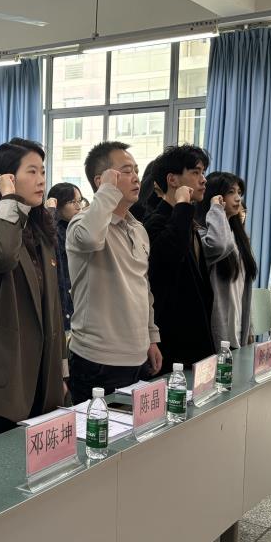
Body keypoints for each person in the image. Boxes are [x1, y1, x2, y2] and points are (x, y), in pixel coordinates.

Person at [0, 139, 68, 437]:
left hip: (45, 373)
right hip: (8, 374)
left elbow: (55, 305)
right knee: (3, 458)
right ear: (7, 178)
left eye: (43, 171)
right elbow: (1, 256)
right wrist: (9, 200)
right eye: (32, 172)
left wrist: (62, 372)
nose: (41, 180)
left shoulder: (43, 232)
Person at [65, 141, 161, 405]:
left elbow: (143, 287)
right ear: (102, 180)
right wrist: (106, 191)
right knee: (96, 430)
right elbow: (90, 238)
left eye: (136, 170)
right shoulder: (82, 223)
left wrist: (151, 337)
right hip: (98, 360)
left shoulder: (138, 229)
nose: (136, 177)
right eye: (126, 171)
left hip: (137, 356)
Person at [143, 145, 216, 370]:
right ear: (172, 179)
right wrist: (182, 204)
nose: (203, 179)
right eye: (195, 172)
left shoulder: (188, 222)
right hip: (172, 339)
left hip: (195, 334)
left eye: (203, 172)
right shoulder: (155, 222)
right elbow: (170, 255)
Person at [196, 172, 257, 350]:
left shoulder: (237, 236)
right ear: (215, 196)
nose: (238, 198)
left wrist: (249, 326)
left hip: (237, 326)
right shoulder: (202, 234)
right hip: (217, 329)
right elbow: (219, 245)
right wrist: (216, 209)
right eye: (231, 192)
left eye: (239, 193)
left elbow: (243, 287)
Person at [45, 182, 83, 332]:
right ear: (58, 204)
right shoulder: (53, 229)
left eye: (80, 201)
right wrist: (51, 212)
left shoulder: (78, 228)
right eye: (72, 202)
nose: (78, 206)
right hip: (60, 303)